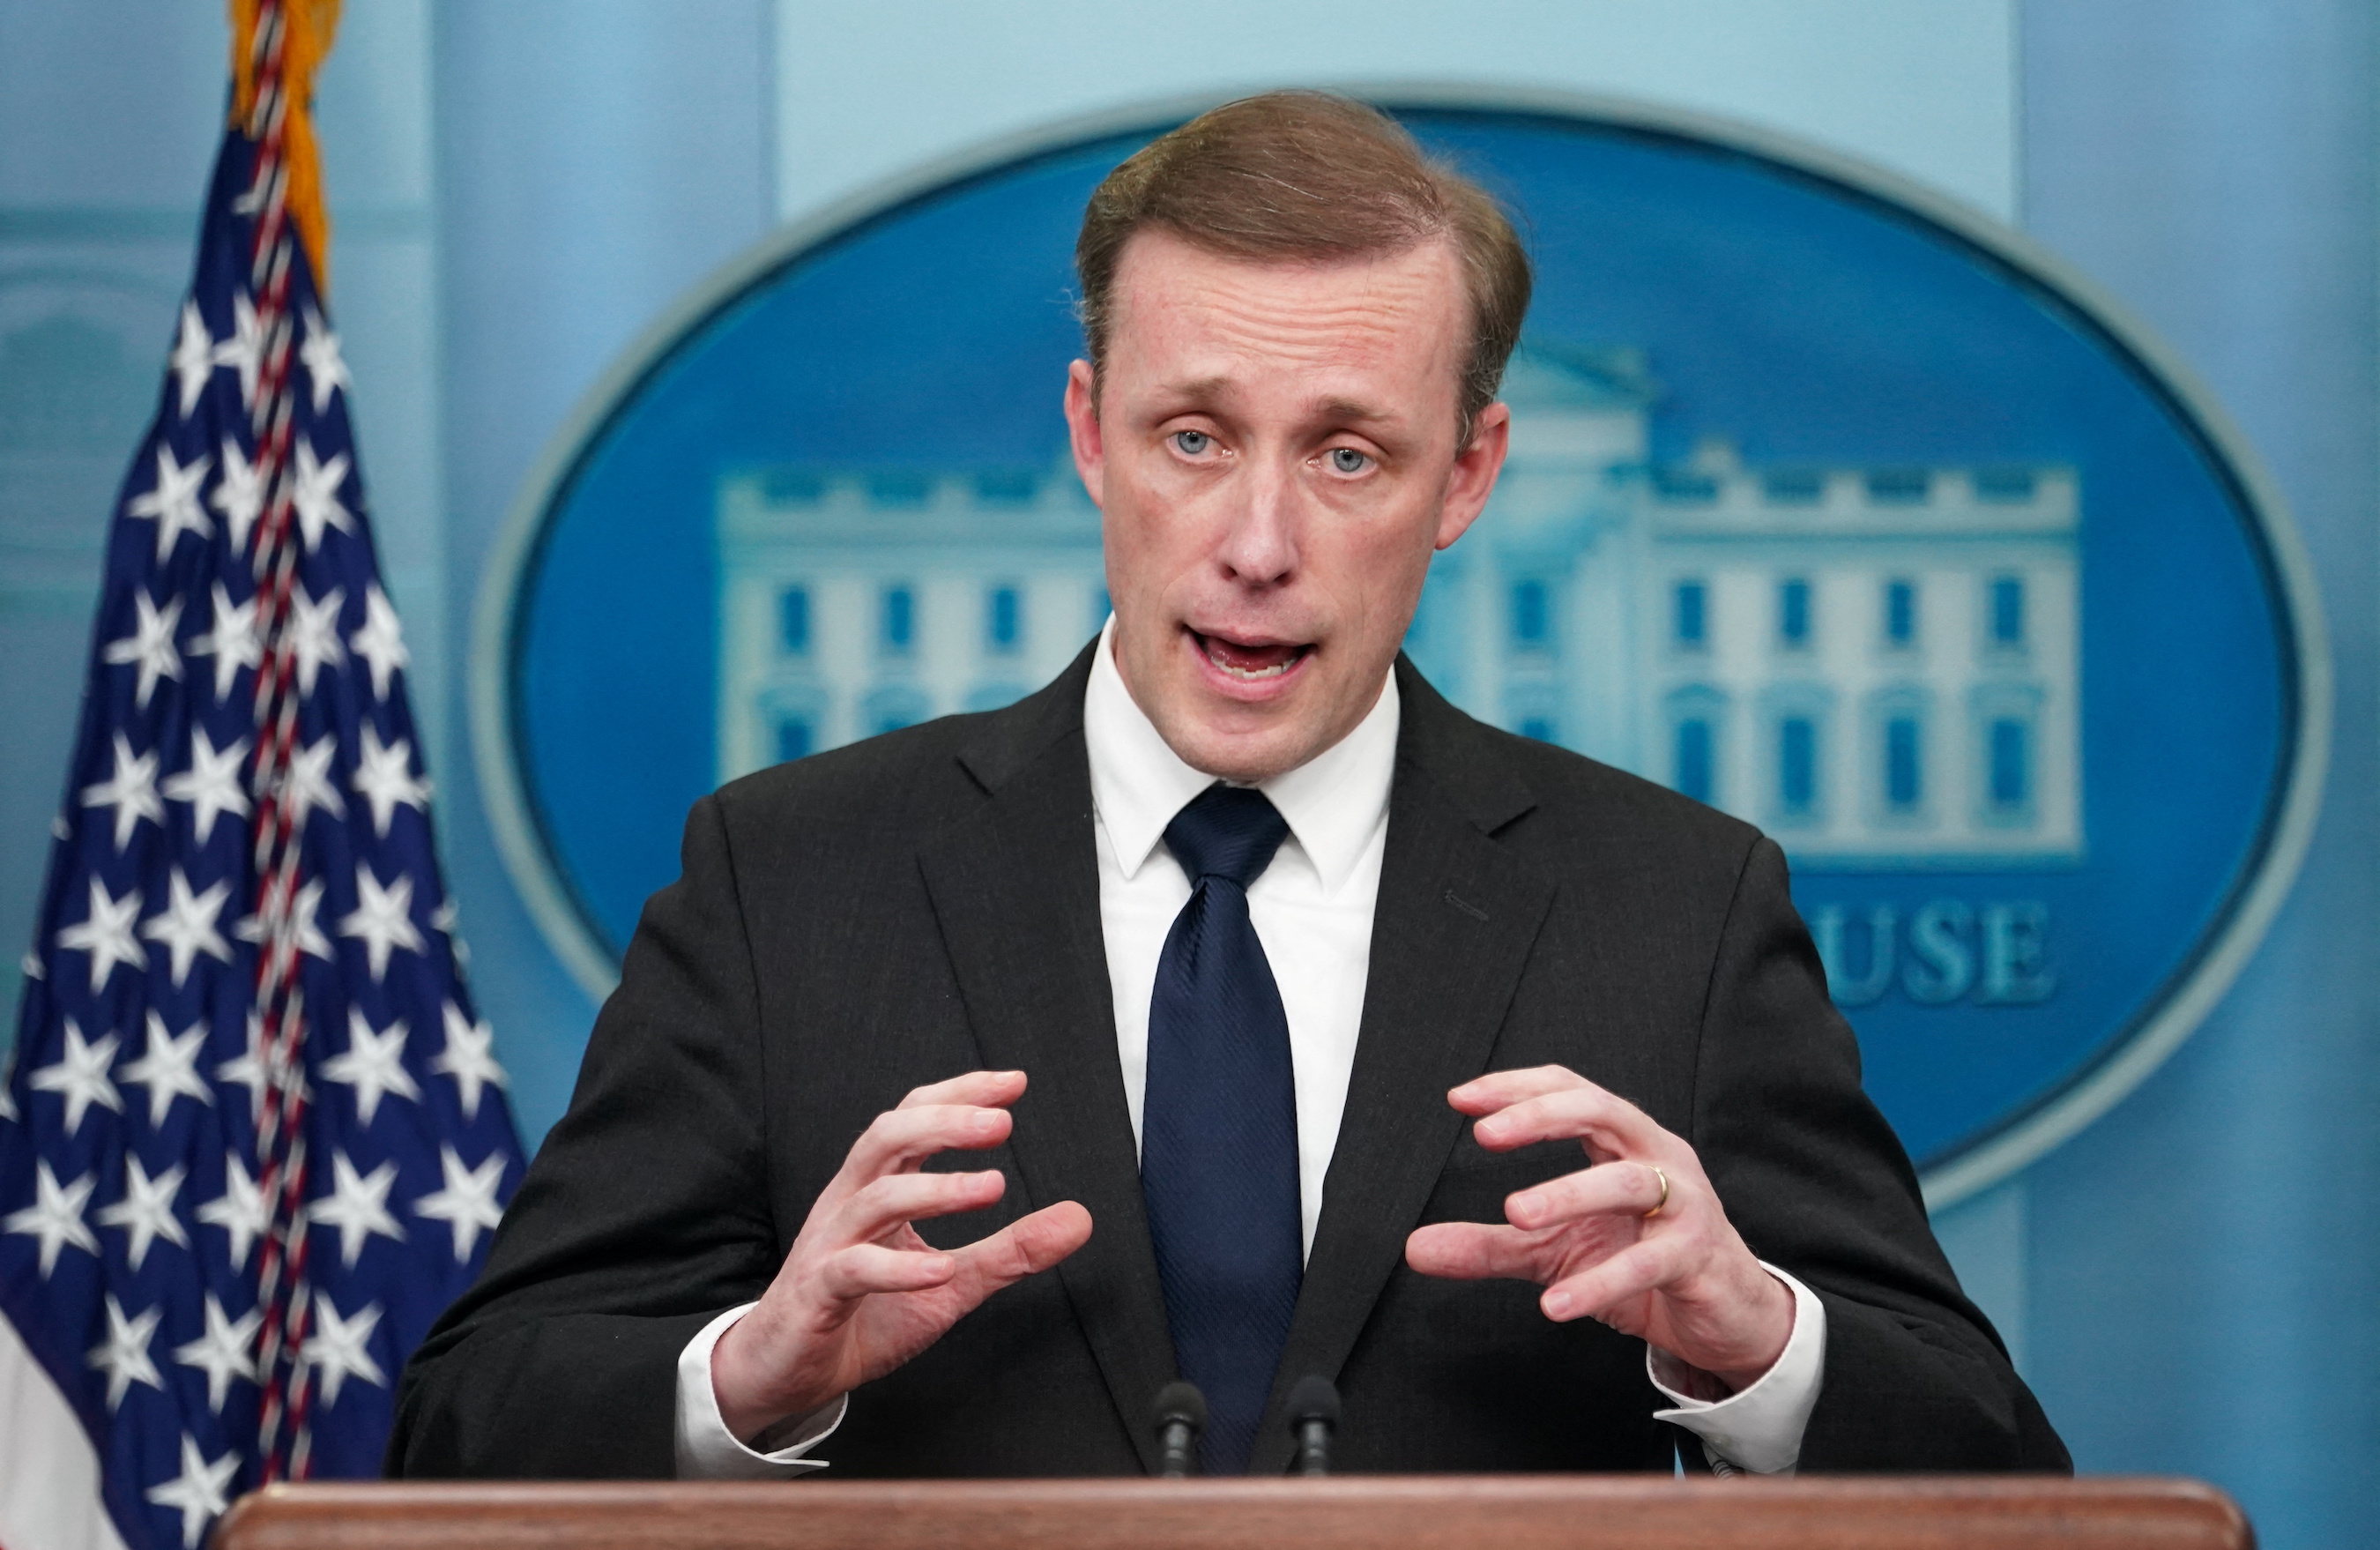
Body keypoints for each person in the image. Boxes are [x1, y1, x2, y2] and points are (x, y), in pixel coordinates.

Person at [390, 91, 2066, 1480]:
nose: (1259, 545)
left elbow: (2002, 1475)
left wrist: (1751, 1342)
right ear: (1087, 431)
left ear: (1466, 474)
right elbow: (465, 1429)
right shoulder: (790, 877)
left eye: (1348, 453)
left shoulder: (1676, 906)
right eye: (1195, 435)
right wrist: (758, 1371)